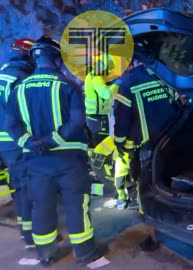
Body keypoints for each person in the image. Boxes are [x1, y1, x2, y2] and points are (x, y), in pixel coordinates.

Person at [4, 36, 101, 266]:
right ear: (57, 59)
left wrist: (31, 143)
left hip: (36, 161)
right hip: (69, 161)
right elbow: (78, 121)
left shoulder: (19, 88)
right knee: (76, 204)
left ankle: (46, 253)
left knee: (41, 205)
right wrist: (52, 140)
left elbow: (10, 125)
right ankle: (84, 253)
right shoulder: (69, 85)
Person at [114, 39, 182, 250]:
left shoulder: (127, 83)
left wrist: (120, 146)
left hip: (145, 147)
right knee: (170, 184)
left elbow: (122, 121)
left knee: (147, 192)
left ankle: (152, 236)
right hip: (170, 141)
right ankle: (178, 225)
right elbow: (178, 106)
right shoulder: (164, 77)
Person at [0, 38, 35, 249]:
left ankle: (28, 230)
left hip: (4, 144)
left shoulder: (2, 74)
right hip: (17, 141)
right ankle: (32, 235)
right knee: (27, 188)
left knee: (18, 186)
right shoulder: (21, 78)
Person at [84, 54, 121, 147]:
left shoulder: (93, 76)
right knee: (100, 146)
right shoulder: (96, 77)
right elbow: (106, 94)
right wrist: (118, 82)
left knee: (95, 145)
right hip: (97, 120)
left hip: (94, 119)